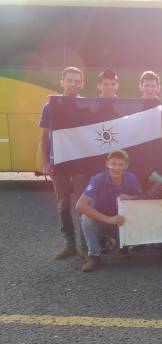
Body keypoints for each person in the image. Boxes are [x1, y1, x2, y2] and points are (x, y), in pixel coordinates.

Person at [39, 66, 89, 259]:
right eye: (69, 80)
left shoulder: (86, 106)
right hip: (58, 163)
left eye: (77, 81)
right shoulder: (50, 106)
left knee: (82, 204)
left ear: (82, 84)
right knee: (64, 204)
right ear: (62, 82)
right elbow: (44, 137)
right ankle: (70, 244)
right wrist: (45, 161)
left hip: (80, 164)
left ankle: (85, 245)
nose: (73, 84)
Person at [75, 150, 143, 272]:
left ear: (126, 165)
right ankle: (94, 256)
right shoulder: (98, 179)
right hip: (102, 220)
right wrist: (109, 219)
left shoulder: (132, 178)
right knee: (86, 218)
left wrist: (132, 197)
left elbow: (143, 199)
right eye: (113, 164)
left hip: (121, 220)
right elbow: (80, 206)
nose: (117, 168)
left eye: (121, 164)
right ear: (107, 163)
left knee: (138, 213)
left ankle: (123, 246)